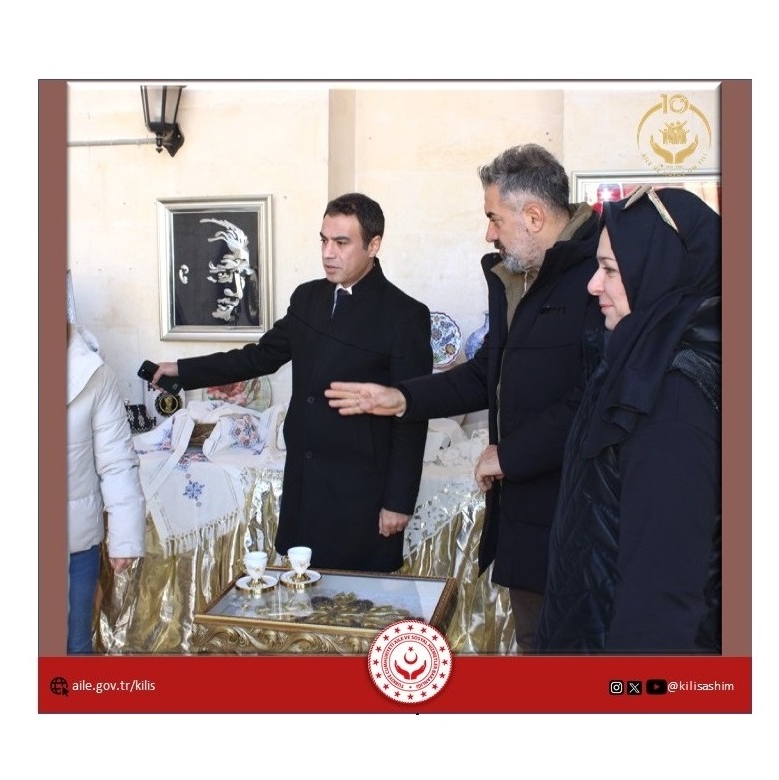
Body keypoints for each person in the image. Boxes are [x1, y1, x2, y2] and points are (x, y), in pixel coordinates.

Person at [326, 144, 603, 652]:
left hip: (580, 513)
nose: (489, 234)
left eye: (494, 218)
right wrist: (400, 397)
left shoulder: (600, 274)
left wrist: (511, 455)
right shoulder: (518, 276)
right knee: (538, 645)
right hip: (527, 516)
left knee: (575, 657)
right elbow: (486, 373)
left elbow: (596, 397)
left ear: (534, 216)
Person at [152, 193, 432, 573]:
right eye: (324, 240)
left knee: (354, 601)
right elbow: (259, 357)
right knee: (304, 591)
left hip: (361, 494)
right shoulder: (308, 298)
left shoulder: (405, 315)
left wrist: (398, 502)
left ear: (374, 245)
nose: (328, 253)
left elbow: (412, 416)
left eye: (342, 242)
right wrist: (182, 370)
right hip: (306, 484)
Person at [535, 185, 721, 653]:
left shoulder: (673, 397)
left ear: (660, 272)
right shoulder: (639, 359)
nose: (593, 285)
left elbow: (662, 598)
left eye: (610, 270)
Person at [67, 322, 146, 654]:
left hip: (74, 543)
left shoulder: (94, 374)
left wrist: (125, 537)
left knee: (74, 647)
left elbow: (117, 461)